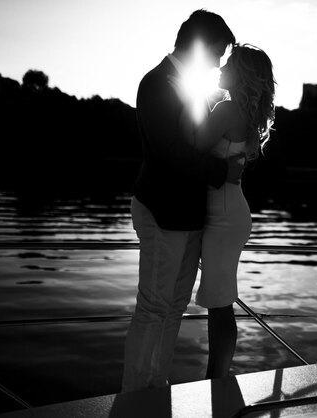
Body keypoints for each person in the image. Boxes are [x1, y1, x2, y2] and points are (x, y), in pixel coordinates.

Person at [121, 9, 243, 393]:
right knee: (155, 307)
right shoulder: (156, 84)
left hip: (190, 215)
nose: (217, 64)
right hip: (162, 211)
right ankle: (137, 394)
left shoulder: (189, 87)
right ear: (199, 46)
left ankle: (155, 385)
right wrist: (222, 172)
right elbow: (170, 151)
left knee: (174, 307)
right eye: (217, 55)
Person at [169, 43, 276, 379]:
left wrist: (186, 103)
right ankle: (216, 375)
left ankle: (215, 378)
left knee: (220, 301)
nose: (221, 68)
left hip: (224, 215)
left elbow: (195, 143)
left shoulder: (229, 110)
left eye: (229, 63)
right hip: (230, 210)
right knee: (221, 300)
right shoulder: (237, 111)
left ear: (242, 73)